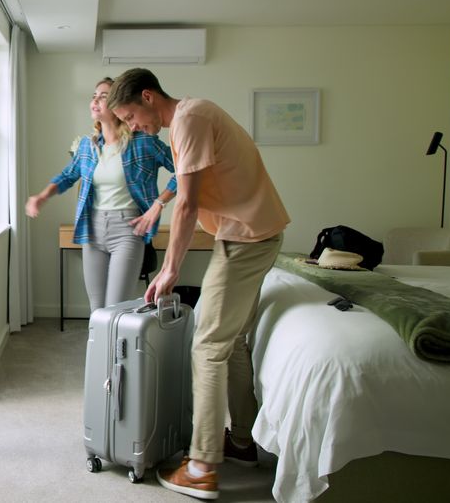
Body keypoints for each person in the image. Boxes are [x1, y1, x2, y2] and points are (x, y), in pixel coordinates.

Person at [107, 68, 289, 501]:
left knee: (207, 346)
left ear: (148, 97)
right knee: (234, 340)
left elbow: (189, 203)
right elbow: (188, 182)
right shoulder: (191, 116)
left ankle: (203, 466)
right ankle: (242, 441)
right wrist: (157, 205)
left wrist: (170, 269)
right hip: (251, 233)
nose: (132, 127)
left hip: (245, 239)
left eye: (130, 116)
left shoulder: (188, 119)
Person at [26, 77, 177, 313]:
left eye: (104, 96)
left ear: (118, 105)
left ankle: (115, 351)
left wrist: (159, 203)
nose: (95, 100)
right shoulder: (88, 146)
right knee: (97, 310)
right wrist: (42, 197)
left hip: (128, 230)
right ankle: (95, 352)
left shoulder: (144, 143)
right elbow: (68, 175)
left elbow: (183, 168)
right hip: (93, 229)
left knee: (115, 309)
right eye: (94, 95)